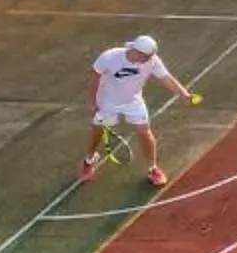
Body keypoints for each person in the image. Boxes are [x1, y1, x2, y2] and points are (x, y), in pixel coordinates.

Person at [82, 34, 197, 189]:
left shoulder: (152, 61)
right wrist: (92, 101)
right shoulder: (110, 57)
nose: (149, 59)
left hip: (133, 102)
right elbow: (94, 76)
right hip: (107, 101)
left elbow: (166, 78)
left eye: (150, 56)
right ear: (136, 52)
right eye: (146, 56)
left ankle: (153, 169)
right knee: (98, 131)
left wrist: (185, 94)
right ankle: (89, 160)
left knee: (144, 131)